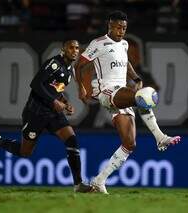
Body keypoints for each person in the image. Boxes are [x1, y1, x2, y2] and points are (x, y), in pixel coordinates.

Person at [75, 10, 181, 194]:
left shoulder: (124, 44)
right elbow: (79, 65)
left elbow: (126, 63)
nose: (121, 31)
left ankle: (99, 181)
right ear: (109, 25)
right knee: (142, 96)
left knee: (129, 143)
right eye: (117, 27)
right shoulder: (98, 43)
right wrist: (81, 88)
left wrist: (136, 76)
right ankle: (160, 138)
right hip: (106, 91)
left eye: (124, 28)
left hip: (121, 93)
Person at [0, 40, 91, 193]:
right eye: (71, 48)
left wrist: (65, 103)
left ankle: (78, 184)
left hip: (53, 113)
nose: (75, 51)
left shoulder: (69, 70)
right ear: (64, 49)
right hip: (36, 112)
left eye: (77, 48)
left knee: (72, 140)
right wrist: (54, 101)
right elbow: (36, 84)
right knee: (25, 152)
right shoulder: (54, 64)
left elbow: (55, 88)